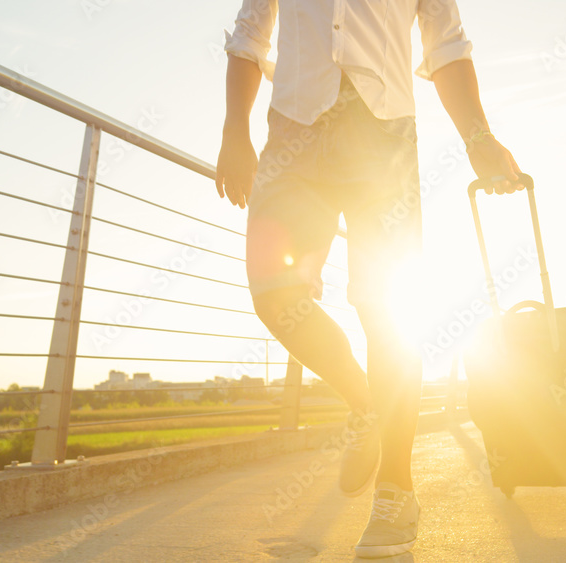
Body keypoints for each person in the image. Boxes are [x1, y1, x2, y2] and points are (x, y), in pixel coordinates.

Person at [217, 0, 523, 557]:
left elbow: (446, 43)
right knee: (273, 293)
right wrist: (235, 128)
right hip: (293, 134)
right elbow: (249, 33)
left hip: (382, 141)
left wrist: (479, 139)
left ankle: (396, 491)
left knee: (386, 309)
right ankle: (366, 405)